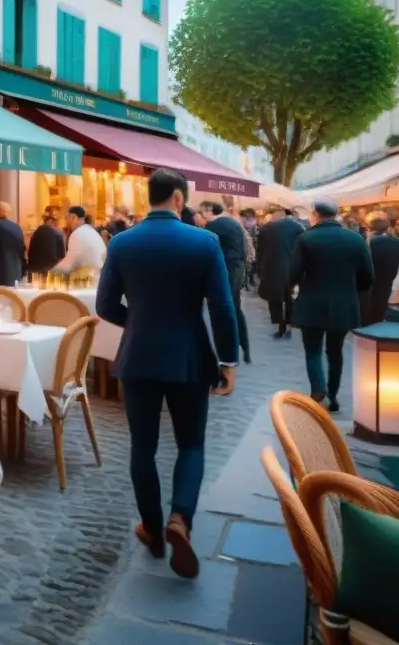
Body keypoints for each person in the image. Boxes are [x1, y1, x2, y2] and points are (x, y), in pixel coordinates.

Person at [96, 168, 238, 581]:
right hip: (190, 357)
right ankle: (180, 518)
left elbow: (105, 307)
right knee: (191, 443)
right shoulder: (205, 242)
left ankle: (153, 530)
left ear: (151, 196)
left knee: (143, 446)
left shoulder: (122, 242)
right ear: (179, 198)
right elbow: (223, 308)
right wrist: (228, 360)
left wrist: (138, 321)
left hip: (138, 357)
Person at [290, 198, 374, 412]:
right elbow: (368, 275)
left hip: (312, 301)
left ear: (316, 213)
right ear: (336, 215)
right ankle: (333, 395)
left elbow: (294, 272)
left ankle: (318, 389)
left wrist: (293, 289)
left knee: (313, 350)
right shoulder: (355, 239)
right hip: (344, 303)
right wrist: (351, 291)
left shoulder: (306, 238)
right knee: (335, 352)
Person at [200, 202, 251, 363]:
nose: (201, 217)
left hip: (229, 268)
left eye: (202, 213)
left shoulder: (215, 225)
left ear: (209, 211)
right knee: (235, 307)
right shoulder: (232, 223)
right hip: (239, 267)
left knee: (227, 309)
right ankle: (245, 348)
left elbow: (203, 245)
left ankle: (231, 352)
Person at [257, 206, 304, 338]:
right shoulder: (299, 227)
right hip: (292, 266)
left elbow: (260, 252)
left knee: (274, 298)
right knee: (290, 297)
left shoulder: (266, 228)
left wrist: (260, 270)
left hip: (272, 268)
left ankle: (279, 323)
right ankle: (290, 322)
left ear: (275, 215)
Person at [363, 217, 399, 325]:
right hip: (390, 279)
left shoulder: (370, 242)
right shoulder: (398, 243)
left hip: (372, 281)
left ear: (370, 229)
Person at [54, 206, 107, 274]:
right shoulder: (91, 231)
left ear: (74, 217)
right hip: (98, 275)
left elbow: (69, 265)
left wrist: (52, 271)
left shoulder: (77, 234)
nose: (66, 221)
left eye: (67, 217)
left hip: (90, 279)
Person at [27, 209, 66, 275]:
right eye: (55, 223)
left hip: (35, 267)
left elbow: (30, 250)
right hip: (51, 267)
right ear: (51, 222)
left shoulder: (36, 232)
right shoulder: (58, 233)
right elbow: (62, 254)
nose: (56, 225)